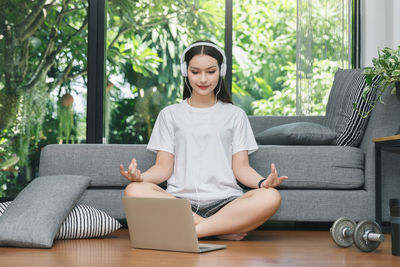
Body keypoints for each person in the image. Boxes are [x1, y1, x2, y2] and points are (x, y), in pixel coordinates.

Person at [120, 40, 288, 241]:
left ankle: (192, 232)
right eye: (195, 72)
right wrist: (141, 178)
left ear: (221, 71)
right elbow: (163, 168)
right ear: (185, 72)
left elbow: (241, 169)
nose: (203, 79)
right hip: (181, 204)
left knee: (271, 197)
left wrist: (263, 182)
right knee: (133, 190)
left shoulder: (235, 115)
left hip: (226, 203)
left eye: (210, 71)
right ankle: (219, 230)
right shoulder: (169, 115)